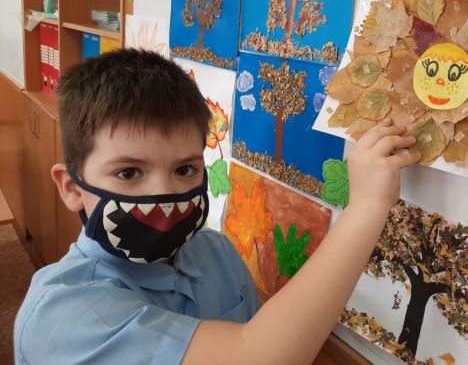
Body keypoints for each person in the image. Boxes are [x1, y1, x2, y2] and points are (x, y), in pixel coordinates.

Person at [14, 49, 421, 364]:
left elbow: (264, 330)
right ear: (72, 188)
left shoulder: (215, 252)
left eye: (185, 169)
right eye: (129, 173)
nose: (164, 195)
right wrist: (367, 204)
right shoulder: (63, 313)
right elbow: (256, 356)